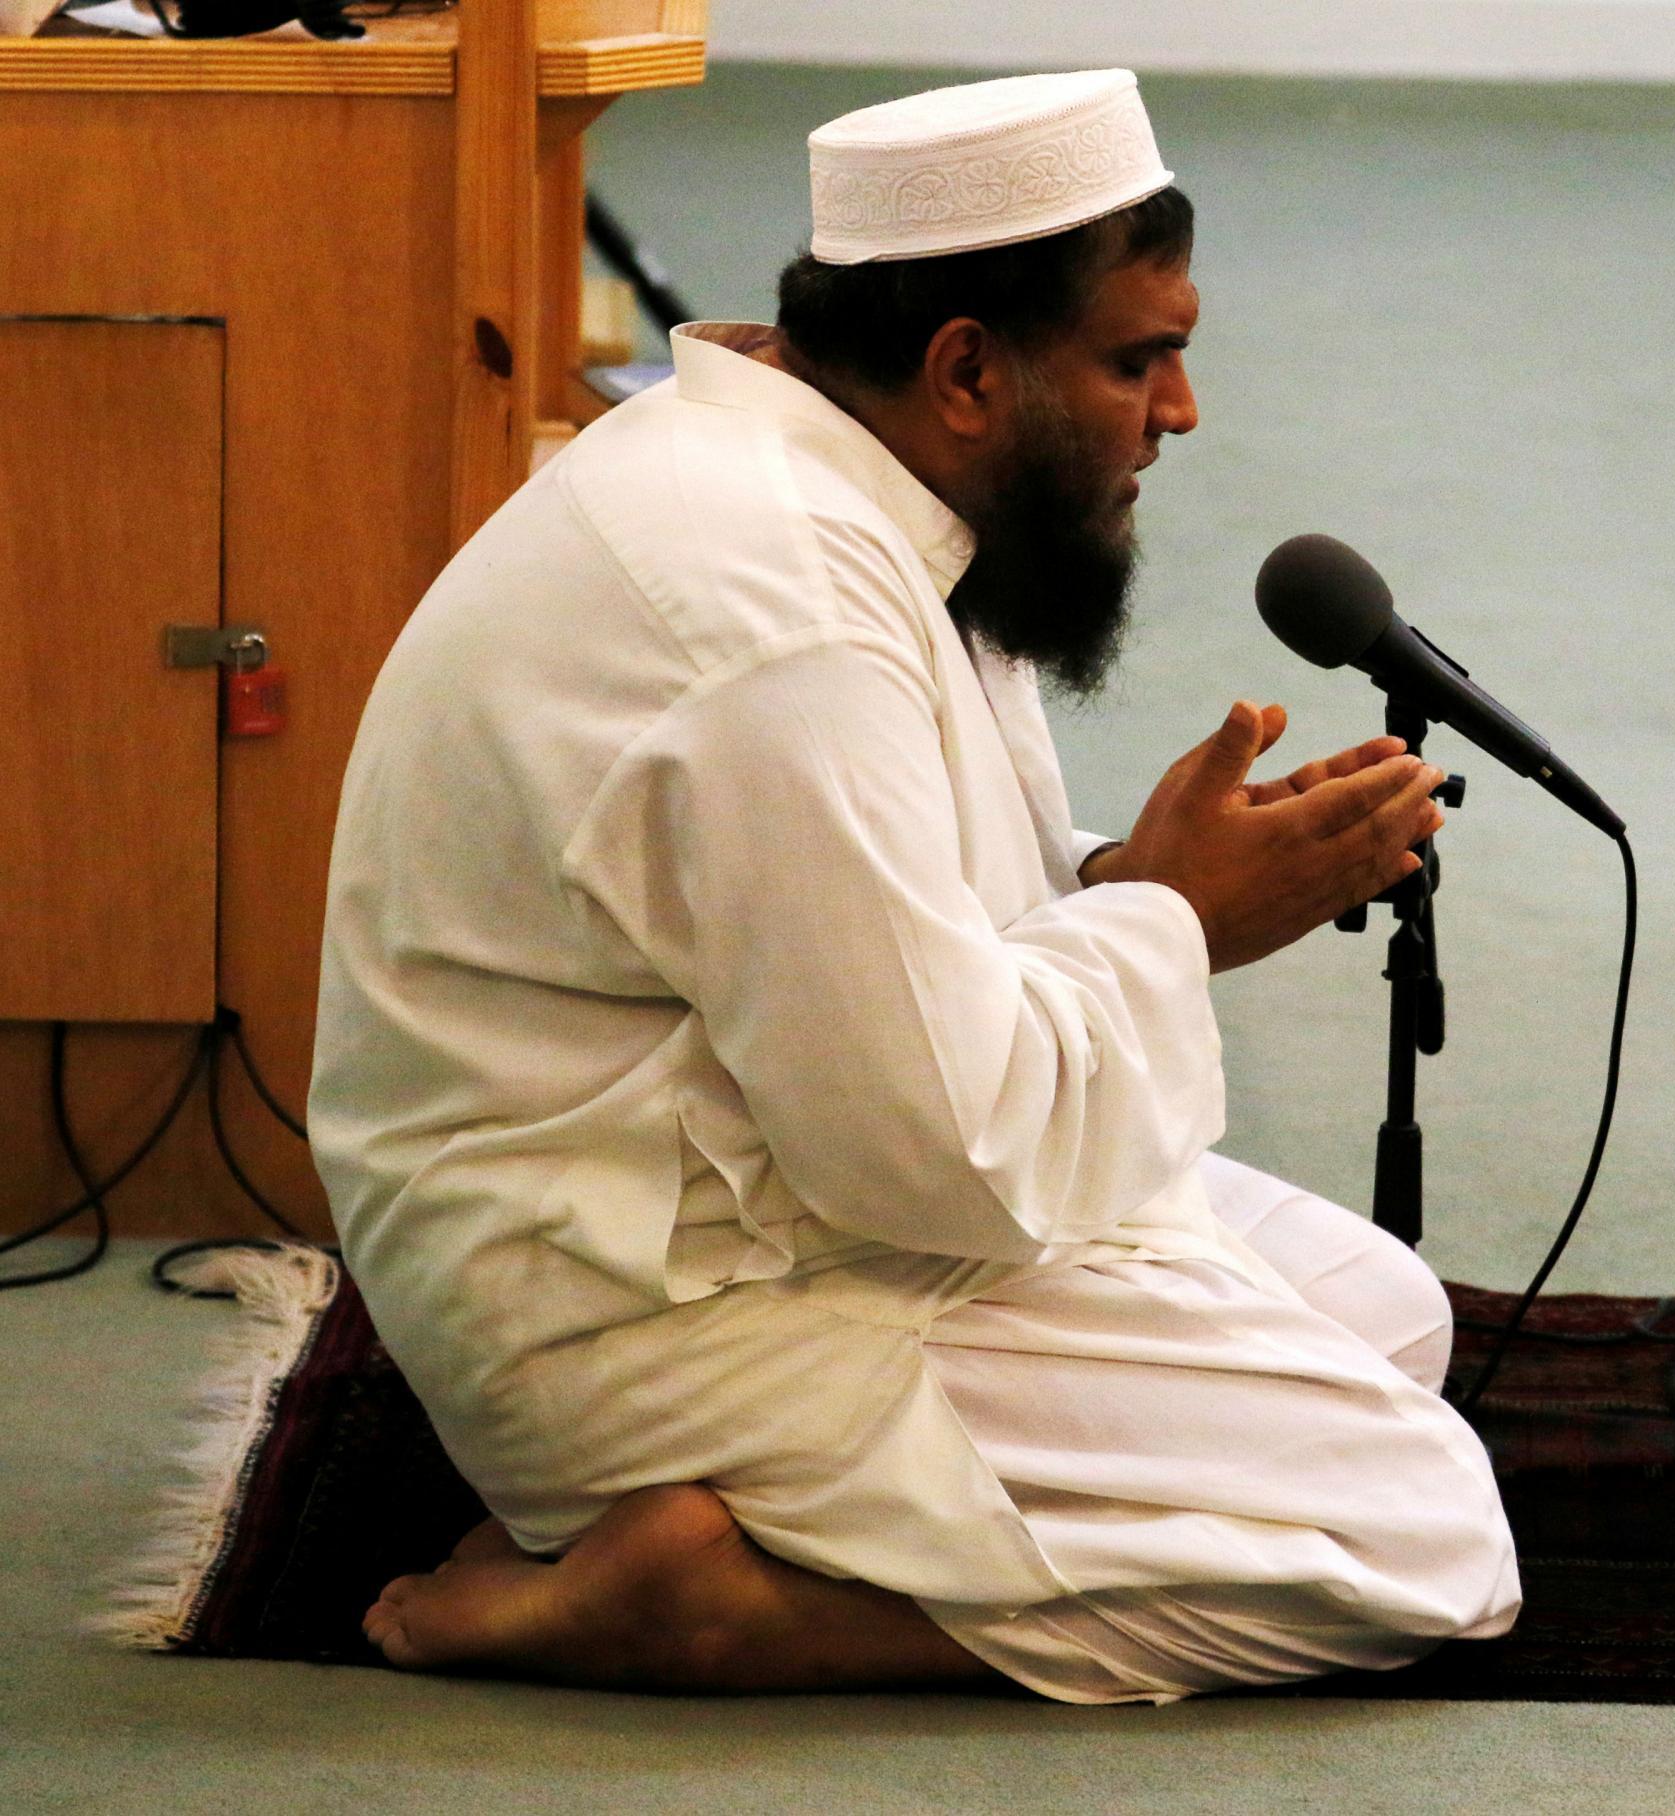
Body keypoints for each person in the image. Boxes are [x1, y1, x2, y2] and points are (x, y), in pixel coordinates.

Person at [309, 69, 1520, 1704]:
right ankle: (723, 1613)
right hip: (644, 1308)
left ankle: (781, 1532)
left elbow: (909, 929)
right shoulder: (779, 604)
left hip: (741, 1193)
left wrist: (1126, 877)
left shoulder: (854, 492)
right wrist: (1172, 919)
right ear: (965, 367)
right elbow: (937, 1159)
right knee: (1429, 1539)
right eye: (1139, 360)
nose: (1180, 413)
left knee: (1383, 1322)